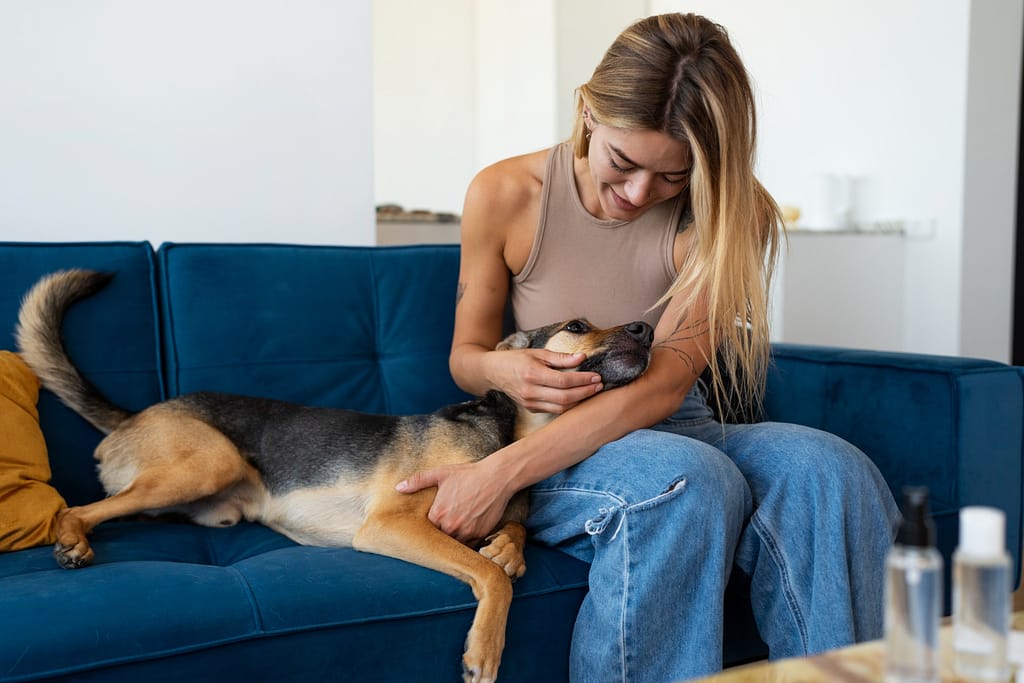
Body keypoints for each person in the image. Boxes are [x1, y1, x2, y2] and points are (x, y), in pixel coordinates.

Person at [396, 12, 900, 682]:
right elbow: (466, 354)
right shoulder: (506, 192)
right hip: (551, 440)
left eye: (672, 176)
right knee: (684, 482)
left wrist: (497, 477)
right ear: (587, 111)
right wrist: (504, 372)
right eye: (623, 163)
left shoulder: (731, 210)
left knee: (830, 471)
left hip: (682, 424)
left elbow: (665, 384)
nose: (639, 195)